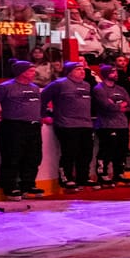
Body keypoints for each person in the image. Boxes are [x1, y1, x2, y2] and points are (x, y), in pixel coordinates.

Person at [0, 59, 47, 198]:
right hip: (13, 126)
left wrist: (40, 117)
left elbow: (40, 105)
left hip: (33, 126)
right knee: (12, 157)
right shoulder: (5, 87)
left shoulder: (35, 87)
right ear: (21, 72)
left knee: (33, 157)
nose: (33, 73)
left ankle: (28, 185)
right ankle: (9, 187)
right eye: (30, 70)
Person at [41, 61, 97, 191]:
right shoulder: (59, 84)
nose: (82, 72)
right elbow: (42, 98)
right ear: (69, 72)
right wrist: (43, 115)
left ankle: (83, 177)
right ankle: (66, 178)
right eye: (78, 69)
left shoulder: (86, 85)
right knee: (69, 153)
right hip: (67, 124)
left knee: (86, 153)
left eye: (83, 69)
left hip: (86, 124)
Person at [92, 64, 130, 186]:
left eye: (116, 72)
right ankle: (102, 174)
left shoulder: (121, 89)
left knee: (121, 151)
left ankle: (119, 173)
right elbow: (106, 106)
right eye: (113, 72)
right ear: (105, 74)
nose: (116, 74)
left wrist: (116, 105)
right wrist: (120, 105)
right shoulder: (99, 89)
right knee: (106, 151)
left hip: (122, 124)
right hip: (106, 124)